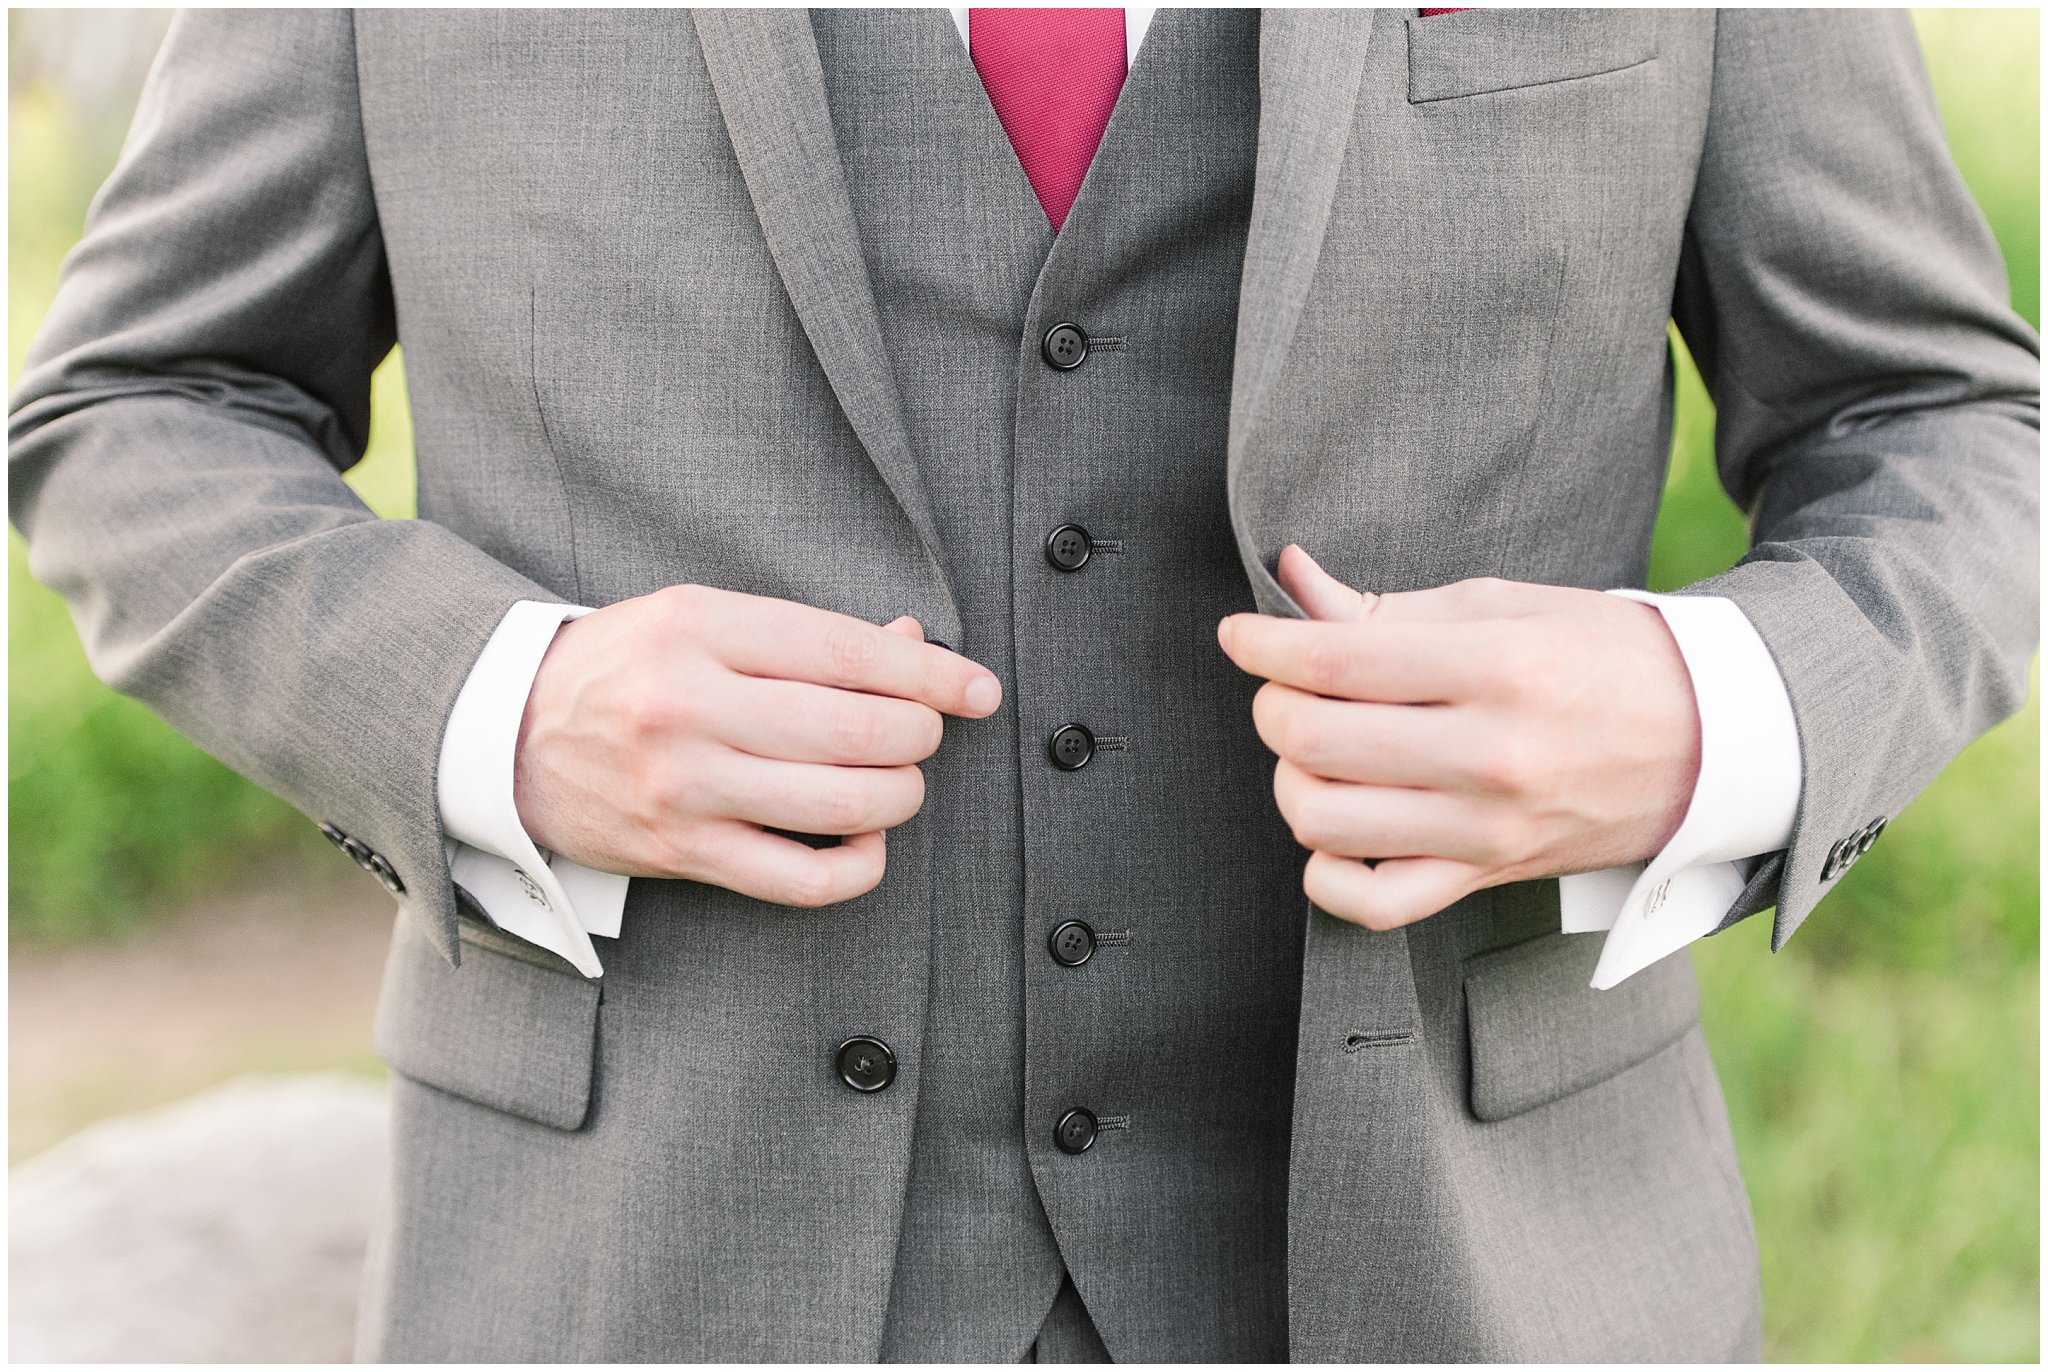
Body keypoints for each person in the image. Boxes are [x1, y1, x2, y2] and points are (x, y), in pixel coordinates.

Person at [10, 7, 2036, 1363]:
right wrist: (493, 707)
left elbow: (1943, 415)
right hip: (640, 1264)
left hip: (1471, 1262)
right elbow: (136, 404)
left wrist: (1714, 709)